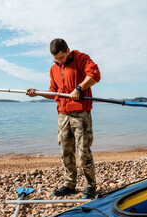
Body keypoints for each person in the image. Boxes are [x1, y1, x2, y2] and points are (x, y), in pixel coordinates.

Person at [27, 38, 101, 199]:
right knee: (65, 150)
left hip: (81, 114)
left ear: (67, 50)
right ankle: (70, 184)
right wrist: (37, 92)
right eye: (55, 59)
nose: (59, 61)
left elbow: (95, 75)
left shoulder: (81, 58)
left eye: (61, 57)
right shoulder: (54, 68)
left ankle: (91, 186)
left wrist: (79, 88)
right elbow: (53, 92)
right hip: (62, 115)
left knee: (83, 151)